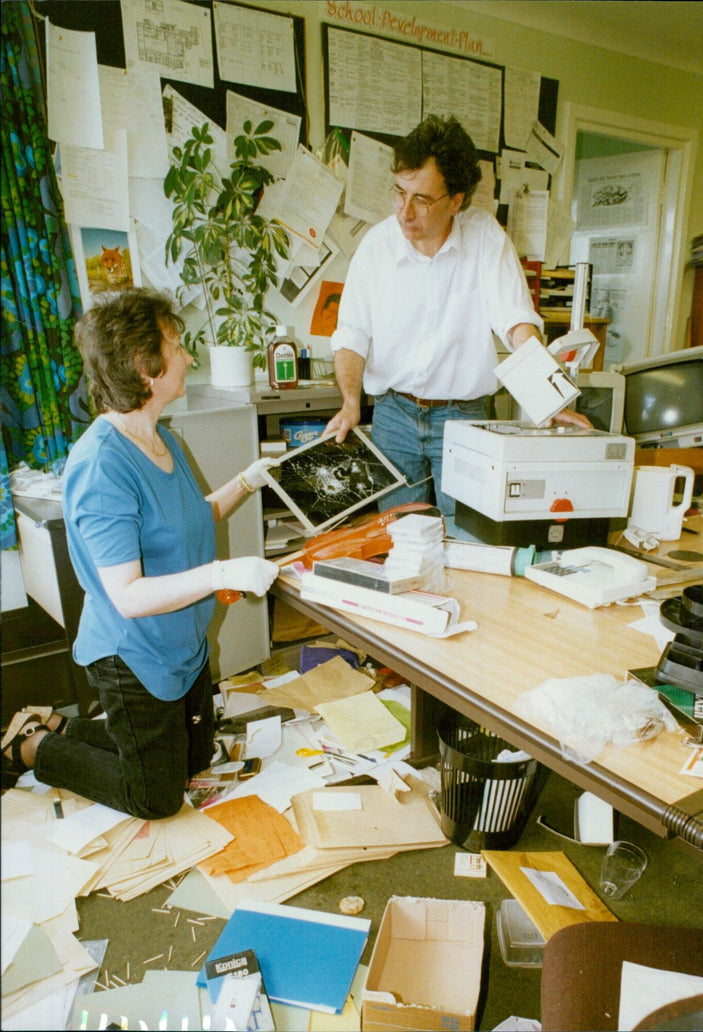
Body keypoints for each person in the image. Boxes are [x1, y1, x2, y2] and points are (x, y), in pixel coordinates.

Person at [1, 289, 279, 819]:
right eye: (177, 345)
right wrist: (223, 570)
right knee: (156, 798)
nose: (190, 356)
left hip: (180, 641)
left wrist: (246, 482)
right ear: (144, 367)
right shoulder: (103, 465)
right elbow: (127, 596)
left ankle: (64, 724)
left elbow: (189, 519)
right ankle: (35, 748)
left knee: (195, 762)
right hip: (133, 652)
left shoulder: (161, 438)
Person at [325, 114, 590, 517]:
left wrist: (548, 398)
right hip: (394, 415)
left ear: (456, 200)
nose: (405, 212)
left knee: (468, 536)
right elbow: (352, 336)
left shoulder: (485, 240)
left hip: (463, 417)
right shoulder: (376, 247)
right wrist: (349, 403)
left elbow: (517, 324)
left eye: (422, 199)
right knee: (400, 540)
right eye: (399, 193)